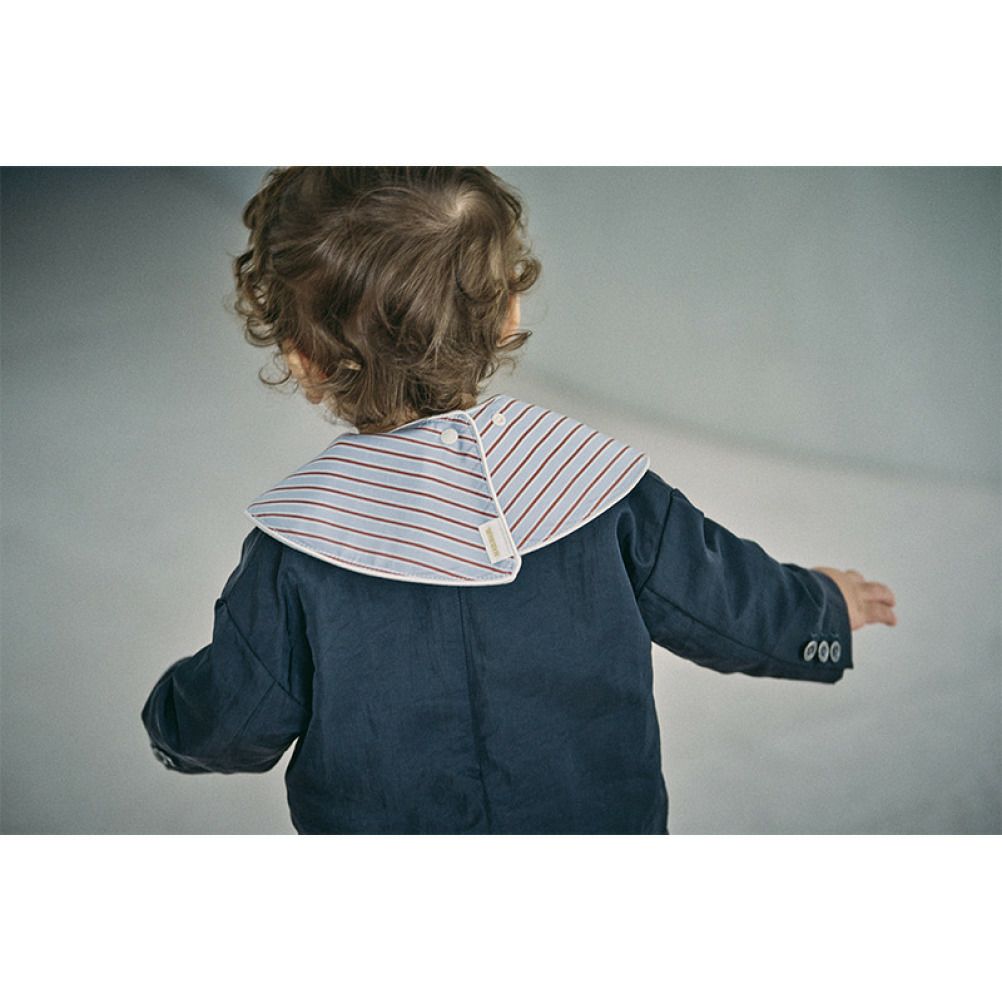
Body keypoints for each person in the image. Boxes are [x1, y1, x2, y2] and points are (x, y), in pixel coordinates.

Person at [140, 167, 897, 834]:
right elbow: (728, 604)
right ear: (508, 314)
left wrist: (169, 722)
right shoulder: (595, 485)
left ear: (304, 360)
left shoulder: (302, 545)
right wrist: (824, 614)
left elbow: (234, 719)